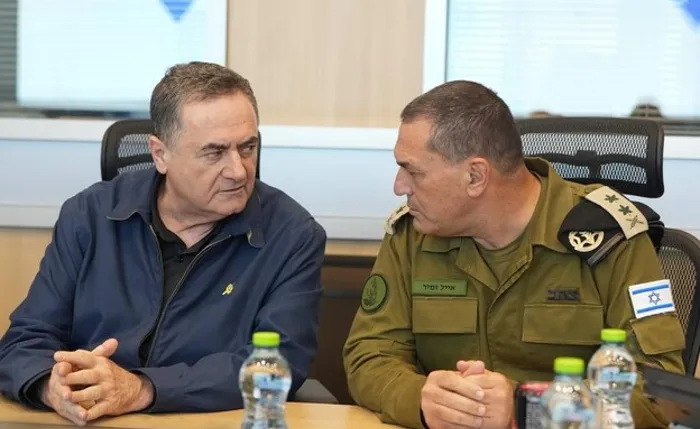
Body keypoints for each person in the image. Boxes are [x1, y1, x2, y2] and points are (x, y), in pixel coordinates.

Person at [343, 80, 686, 429]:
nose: (399, 186)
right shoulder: (413, 235)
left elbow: (659, 392)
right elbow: (369, 354)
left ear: (475, 176)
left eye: (413, 171)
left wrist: (528, 406)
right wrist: (422, 399)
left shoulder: (611, 238)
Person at [0, 62, 327, 426]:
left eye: (248, 147)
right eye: (214, 152)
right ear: (160, 154)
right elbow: (24, 341)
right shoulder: (89, 216)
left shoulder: (292, 236)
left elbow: (279, 363)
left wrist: (142, 389)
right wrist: (51, 386)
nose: (238, 170)